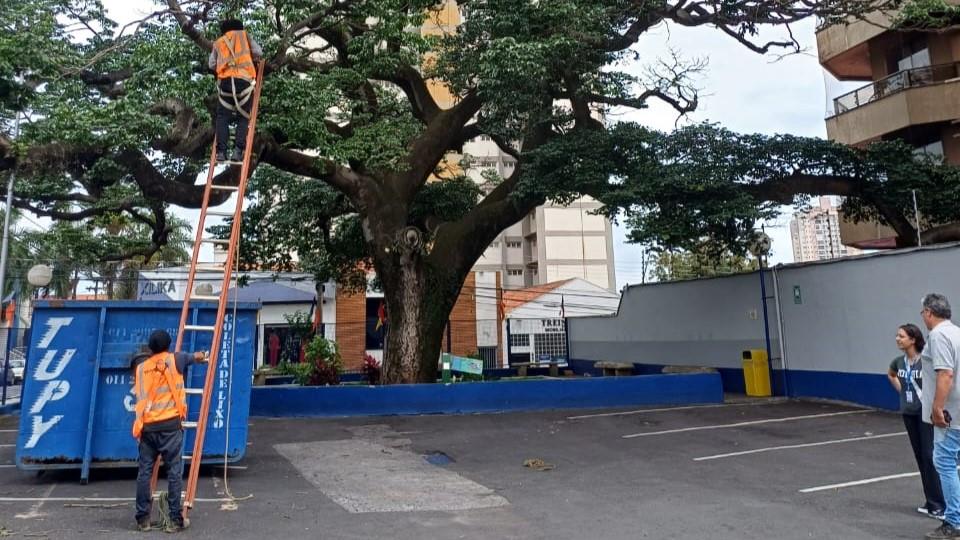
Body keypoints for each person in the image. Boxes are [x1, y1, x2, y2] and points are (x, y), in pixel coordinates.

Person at [132, 330, 209, 533]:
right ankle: (175, 520)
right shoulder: (176, 359)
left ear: (150, 347)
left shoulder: (141, 369)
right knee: (174, 472)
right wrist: (204, 354)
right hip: (170, 427)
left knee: (144, 473)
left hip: (147, 428)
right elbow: (197, 357)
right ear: (168, 345)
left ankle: (143, 520)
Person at [888, 323, 944, 519]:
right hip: (909, 413)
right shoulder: (899, 362)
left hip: (925, 414)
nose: (897, 339)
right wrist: (902, 392)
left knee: (930, 457)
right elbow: (891, 374)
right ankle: (930, 502)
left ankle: (939, 505)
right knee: (920, 457)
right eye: (897, 335)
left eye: (901, 336)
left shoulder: (926, 362)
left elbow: (941, 381)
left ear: (913, 339)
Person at [921, 294, 960, 539]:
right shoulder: (956, 332)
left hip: (951, 413)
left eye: (923, 313)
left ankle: (954, 520)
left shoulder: (938, 335)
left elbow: (945, 374)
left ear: (929, 312)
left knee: (945, 463)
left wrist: (937, 409)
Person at [208, 18, 262, 164]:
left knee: (223, 117)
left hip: (225, 83)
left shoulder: (218, 42)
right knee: (243, 117)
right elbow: (258, 52)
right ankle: (238, 151)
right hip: (244, 82)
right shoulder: (244, 36)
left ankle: (221, 152)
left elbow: (212, 64)